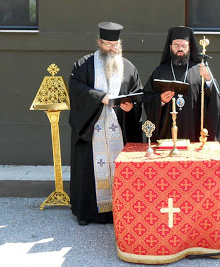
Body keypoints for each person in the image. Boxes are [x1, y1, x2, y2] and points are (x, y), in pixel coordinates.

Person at [68, 22, 142, 225]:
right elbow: (76, 89)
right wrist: (101, 97)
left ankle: (122, 210)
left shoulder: (128, 67)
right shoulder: (84, 65)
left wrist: (130, 108)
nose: (111, 48)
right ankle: (87, 213)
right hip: (93, 128)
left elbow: (137, 94)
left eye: (115, 44)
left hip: (119, 127)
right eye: (107, 44)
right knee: (90, 171)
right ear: (99, 42)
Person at [143, 26, 220, 142]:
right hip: (167, 132)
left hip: (193, 128)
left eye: (184, 46)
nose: (180, 49)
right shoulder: (160, 71)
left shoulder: (200, 70)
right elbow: (146, 97)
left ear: (189, 47)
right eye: (176, 46)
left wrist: (209, 78)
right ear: (170, 47)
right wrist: (160, 100)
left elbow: (215, 98)